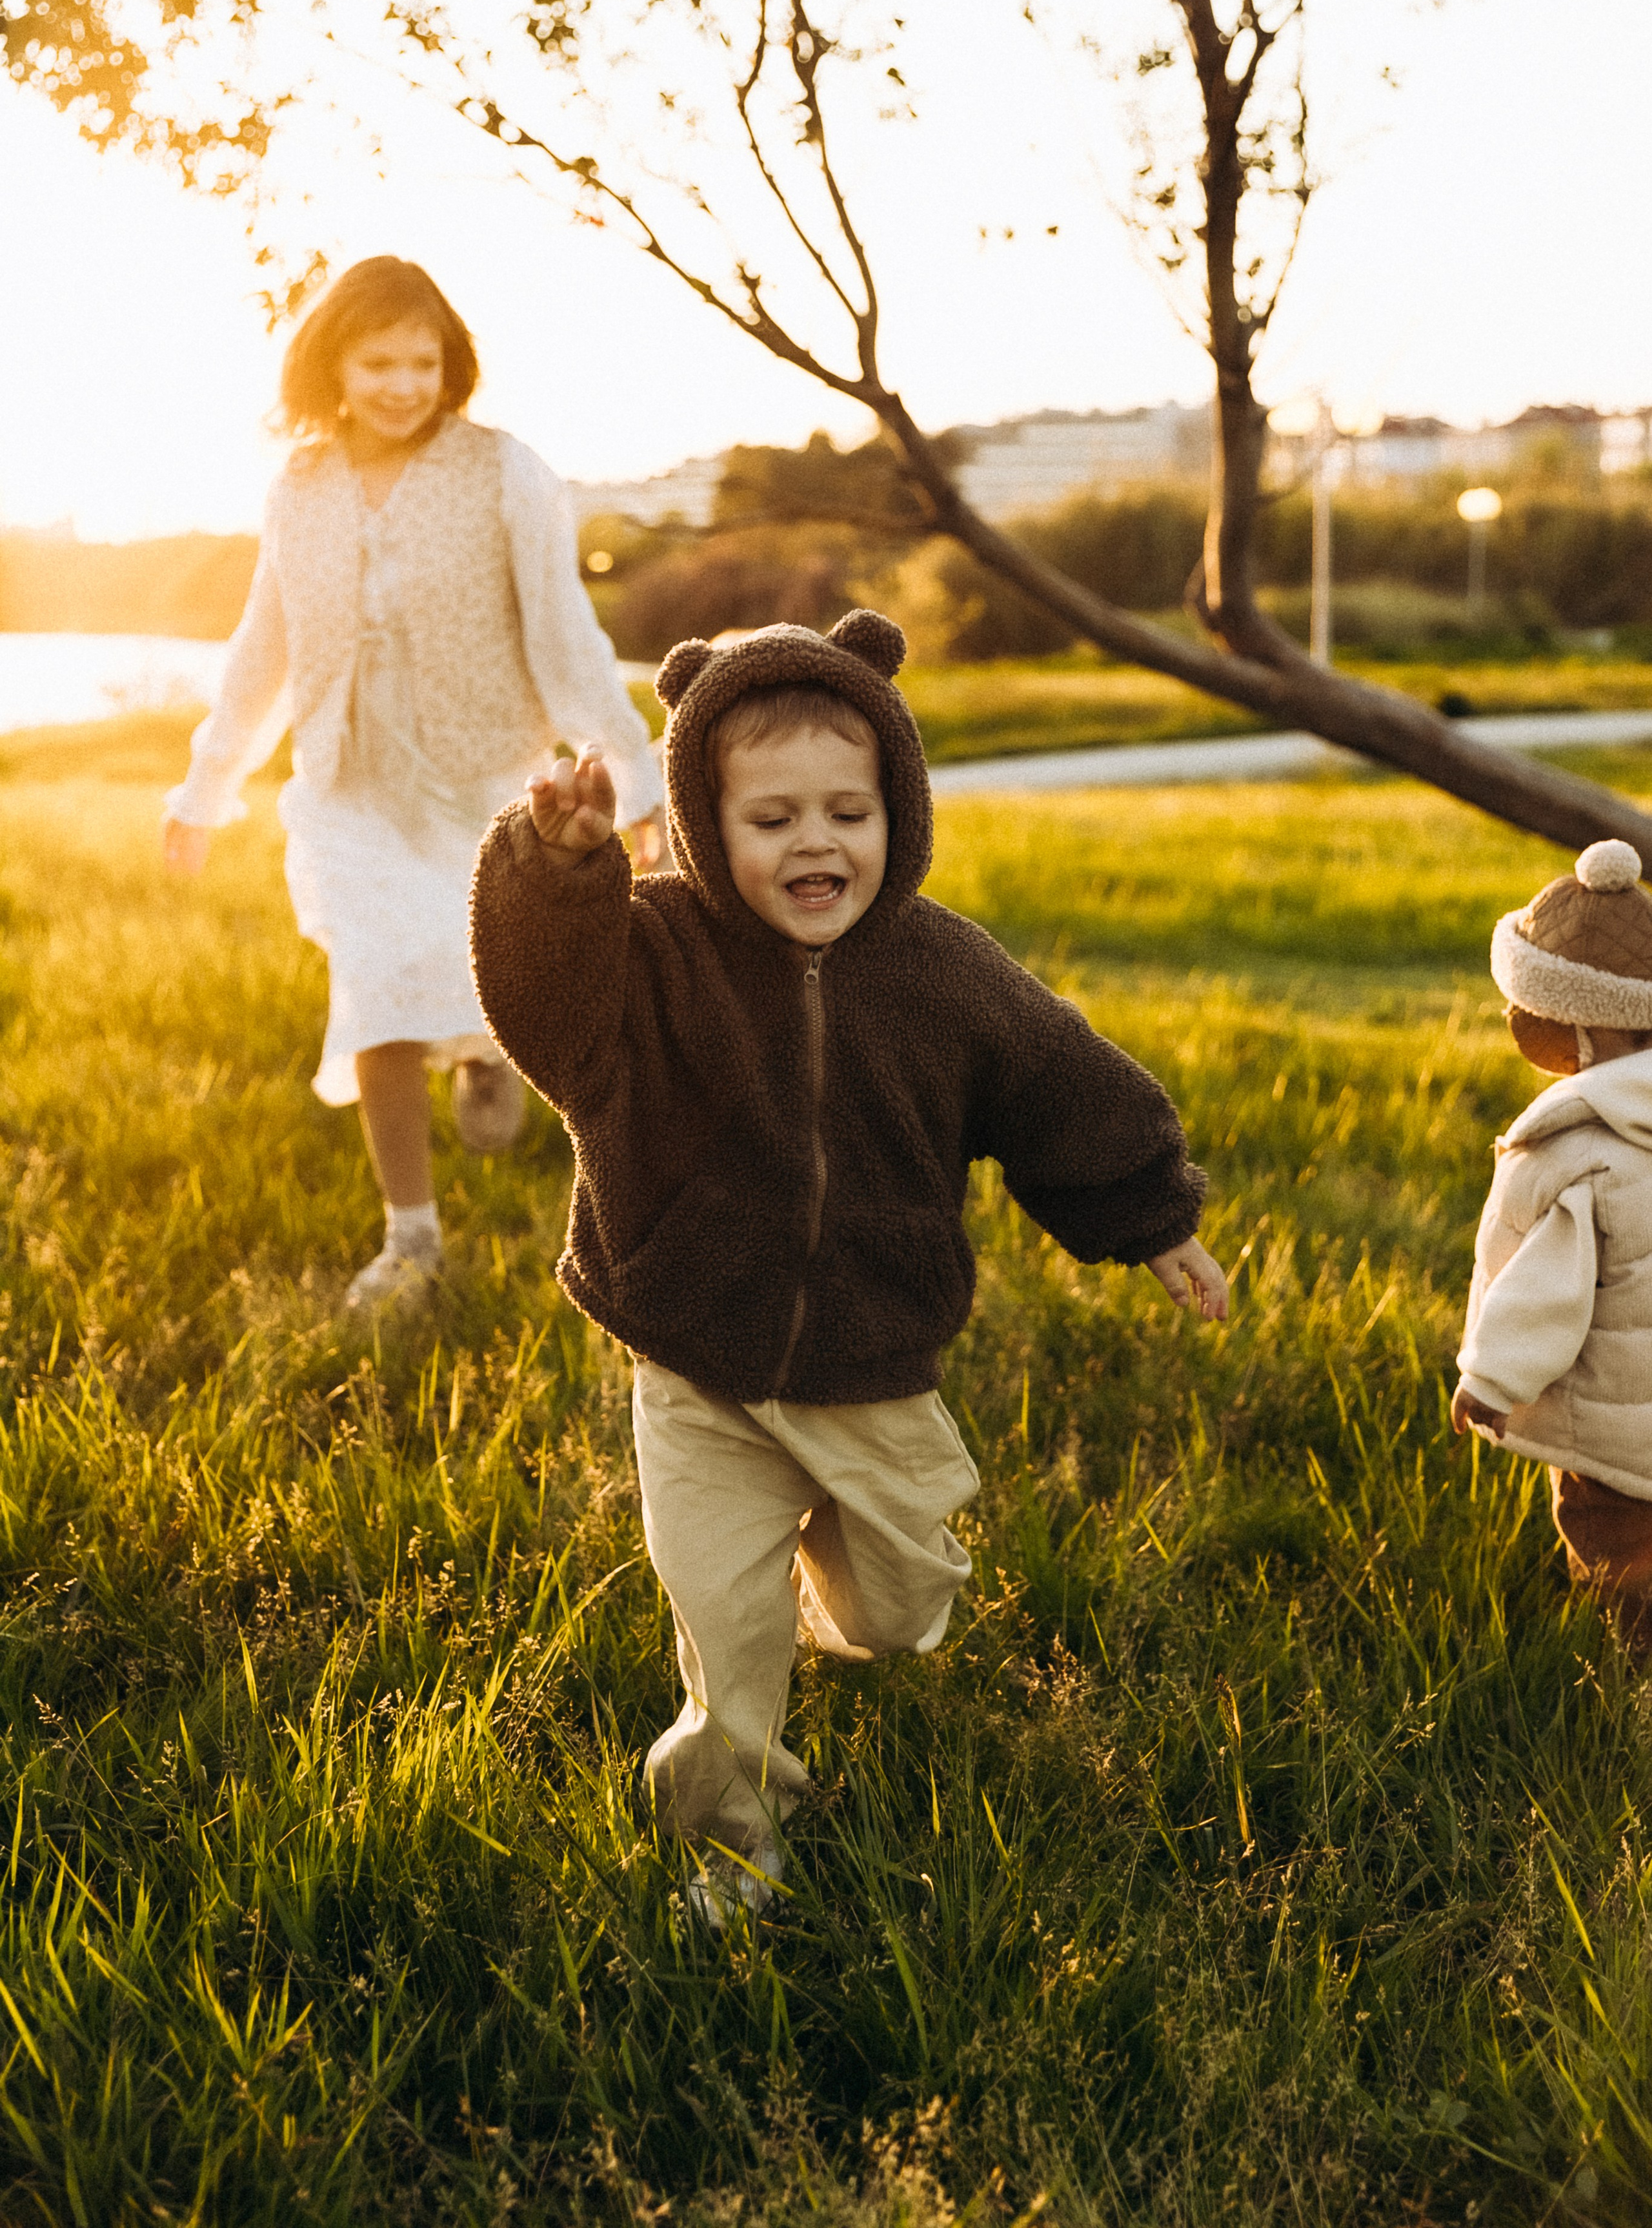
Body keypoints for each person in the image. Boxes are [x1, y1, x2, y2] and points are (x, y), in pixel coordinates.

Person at [468, 608, 1227, 1925]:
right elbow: (541, 1001)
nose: (815, 842)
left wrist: (1148, 1214)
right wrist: (557, 866)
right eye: (770, 822)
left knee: (894, 1610)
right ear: (704, 828)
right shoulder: (650, 956)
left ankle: (826, 1579)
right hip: (694, 1354)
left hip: (870, 1360)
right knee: (722, 1623)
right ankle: (732, 1834)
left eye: (847, 813)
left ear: (898, 812)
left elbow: (1059, 1086)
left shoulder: (941, 972)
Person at [164, 256, 662, 1309]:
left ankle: (486, 1049)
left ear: (452, 365)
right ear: (332, 366)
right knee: (376, 990)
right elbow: (266, 647)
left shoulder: (503, 471)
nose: (402, 383)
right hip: (348, 789)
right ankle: (413, 1243)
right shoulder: (298, 488)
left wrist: (637, 774)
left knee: (491, 976)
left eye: (422, 361)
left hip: (485, 781)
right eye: (378, 361)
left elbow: (564, 633)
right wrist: (205, 788)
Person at [1453, 837, 1652, 1655]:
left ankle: (1629, 1658)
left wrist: (1489, 1380)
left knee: (1612, 1541)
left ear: (1579, 1028)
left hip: (1618, 1432)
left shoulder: (1578, 1156)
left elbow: (1548, 1289)